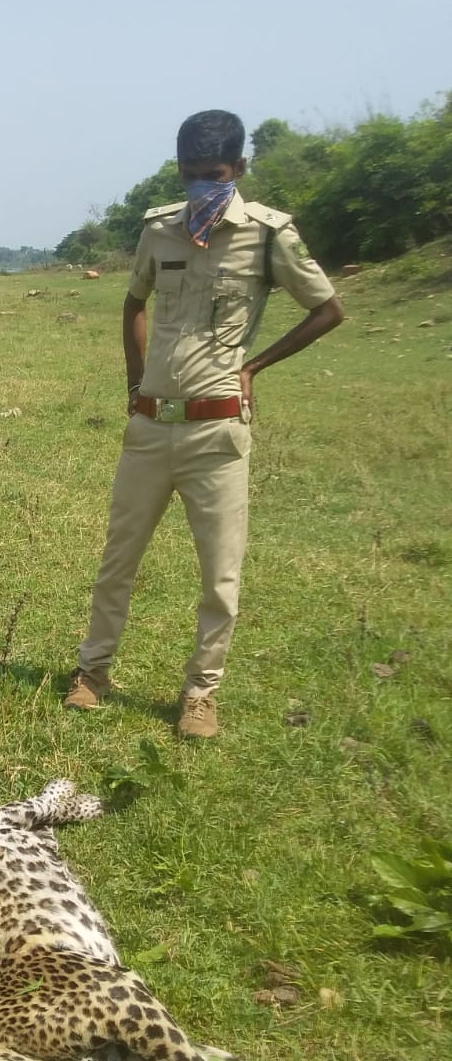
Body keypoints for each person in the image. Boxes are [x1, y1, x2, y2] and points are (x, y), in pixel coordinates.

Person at [64, 109, 343, 737]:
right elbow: (134, 300)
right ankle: (92, 672)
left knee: (219, 575)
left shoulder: (269, 236)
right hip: (149, 428)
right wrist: (136, 382)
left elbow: (328, 309)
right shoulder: (160, 230)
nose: (200, 187)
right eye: (190, 175)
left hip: (217, 432)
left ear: (239, 169)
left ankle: (199, 694)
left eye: (213, 174)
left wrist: (256, 366)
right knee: (118, 561)